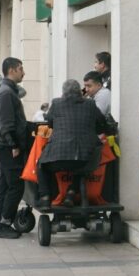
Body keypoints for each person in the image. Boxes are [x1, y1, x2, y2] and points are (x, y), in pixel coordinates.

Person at [36, 79, 107, 208]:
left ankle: (45, 196)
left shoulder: (56, 103)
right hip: (88, 158)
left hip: (58, 156)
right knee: (81, 167)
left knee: (41, 165)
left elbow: (50, 123)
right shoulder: (90, 104)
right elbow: (102, 123)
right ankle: (71, 192)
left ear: (63, 92)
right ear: (79, 91)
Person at [0, 58, 27, 238]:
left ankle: (0, 223)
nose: (23, 72)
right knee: (16, 185)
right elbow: (6, 123)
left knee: (5, 185)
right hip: (7, 145)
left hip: (5, 144)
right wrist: (13, 144)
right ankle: (4, 223)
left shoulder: (7, 91)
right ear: (12, 70)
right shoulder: (6, 93)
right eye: (21, 69)